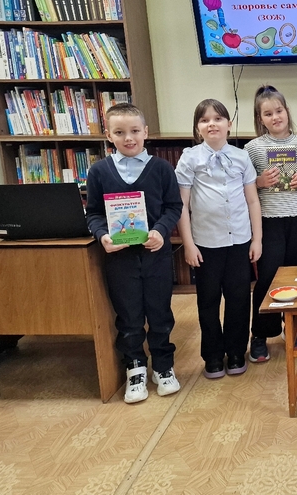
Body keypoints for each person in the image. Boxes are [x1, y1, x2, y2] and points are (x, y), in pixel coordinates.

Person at [85, 103, 183, 404]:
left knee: (160, 313)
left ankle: (163, 366)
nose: (128, 138)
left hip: (156, 255)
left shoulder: (162, 169)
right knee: (128, 317)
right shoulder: (99, 171)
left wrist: (161, 231)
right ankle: (135, 368)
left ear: (145, 132)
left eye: (135, 131)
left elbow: (173, 207)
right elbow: (94, 213)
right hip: (120, 259)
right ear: (108, 135)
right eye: (119, 132)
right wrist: (102, 236)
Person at [175, 99, 263, 379]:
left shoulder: (241, 157)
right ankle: (212, 356)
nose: (211, 124)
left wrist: (257, 239)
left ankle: (236, 352)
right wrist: (188, 244)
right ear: (197, 128)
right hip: (205, 244)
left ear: (229, 124)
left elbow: (252, 200)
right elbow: (182, 205)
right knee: (208, 300)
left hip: (239, 240)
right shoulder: (190, 158)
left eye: (217, 118)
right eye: (204, 120)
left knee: (239, 298)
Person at [244, 85, 297, 362]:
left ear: (287, 111)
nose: (275, 117)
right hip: (269, 223)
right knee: (268, 279)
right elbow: (242, 186)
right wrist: (259, 181)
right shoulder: (253, 149)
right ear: (260, 118)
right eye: (268, 114)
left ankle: (295, 328)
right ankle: (260, 334)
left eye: (279, 111)